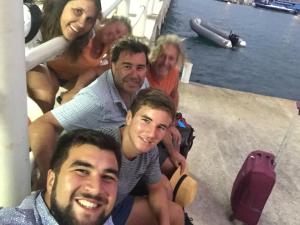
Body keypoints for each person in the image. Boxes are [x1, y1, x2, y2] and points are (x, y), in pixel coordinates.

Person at [29, 36, 150, 188]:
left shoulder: (142, 84)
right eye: (127, 66)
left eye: (140, 67)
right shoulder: (95, 100)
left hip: (121, 154)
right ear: (112, 65)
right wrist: (50, 177)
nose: (134, 75)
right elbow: (41, 124)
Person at [98, 88, 184, 225]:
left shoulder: (151, 152)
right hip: (91, 211)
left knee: (176, 213)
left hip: (116, 206)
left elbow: (155, 188)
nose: (151, 134)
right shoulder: (100, 145)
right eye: (146, 120)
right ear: (129, 118)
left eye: (160, 127)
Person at [0, 129, 121, 225]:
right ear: (51, 180)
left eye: (108, 177)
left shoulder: (96, 212)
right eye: (82, 171)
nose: (96, 189)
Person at [27, 0, 102, 112]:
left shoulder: (85, 35)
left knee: (49, 92)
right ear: (61, 5)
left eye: (89, 19)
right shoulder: (28, 20)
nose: (82, 24)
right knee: (44, 95)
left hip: (34, 61)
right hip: (10, 62)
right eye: (77, 11)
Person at [48, 15, 133, 104]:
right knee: (48, 96)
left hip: (69, 78)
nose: (115, 36)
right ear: (107, 22)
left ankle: (68, 97)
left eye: (119, 37)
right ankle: (67, 98)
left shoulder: (107, 47)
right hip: (50, 68)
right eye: (117, 30)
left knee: (105, 83)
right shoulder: (87, 32)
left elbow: (110, 68)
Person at [147, 34, 187, 178]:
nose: (165, 62)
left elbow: (174, 95)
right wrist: (173, 152)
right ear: (154, 54)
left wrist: (172, 122)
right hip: (147, 129)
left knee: (179, 141)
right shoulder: (144, 76)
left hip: (162, 123)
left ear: (177, 60)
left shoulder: (174, 72)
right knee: (172, 168)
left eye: (171, 58)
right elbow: (155, 121)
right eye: (162, 56)